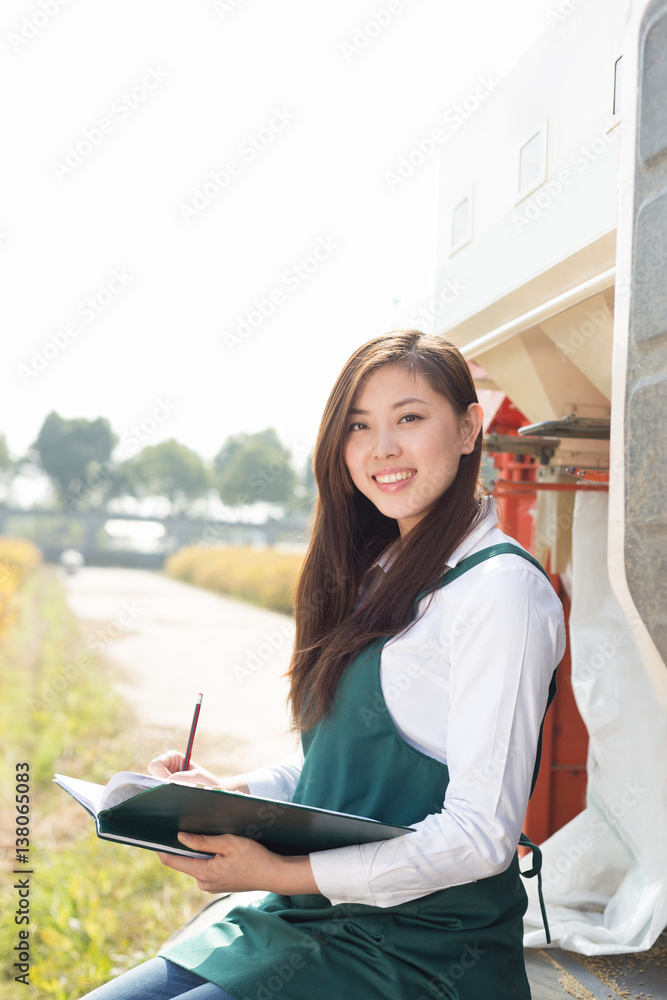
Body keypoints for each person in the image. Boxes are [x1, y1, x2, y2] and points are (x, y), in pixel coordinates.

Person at [80, 330, 565, 1000]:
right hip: (311, 920)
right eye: (358, 425)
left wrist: (273, 873)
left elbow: (479, 838)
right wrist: (229, 798)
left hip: (423, 950)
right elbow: (340, 770)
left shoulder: (500, 591)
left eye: (410, 418)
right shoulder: (376, 572)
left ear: (467, 428)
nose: (381, 449)